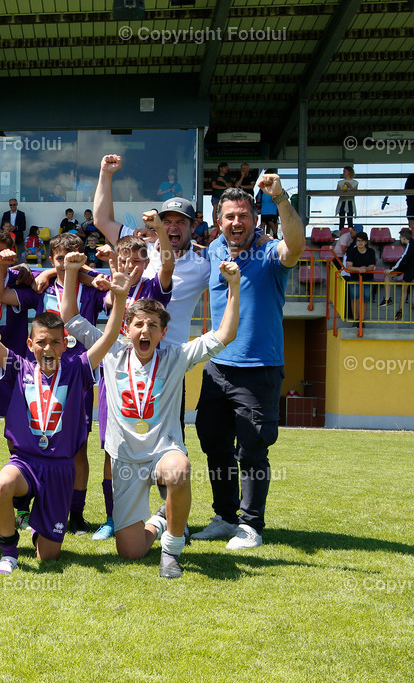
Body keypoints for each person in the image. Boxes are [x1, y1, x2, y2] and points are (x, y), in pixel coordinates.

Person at [63, 254, 242, 578]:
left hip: (162, 453)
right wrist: (72, 271)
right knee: (130, 551)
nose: (145, 331)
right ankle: (161, 519)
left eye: (153, 325)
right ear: (126, 329)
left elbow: (225, 334)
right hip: (125, 461)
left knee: (179, 470)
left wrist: (234, 286)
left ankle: (171, 552)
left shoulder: (176, 356)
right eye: (139, 324)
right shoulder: (111, 351)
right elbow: (71, 319)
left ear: (163, 332)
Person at [0, 268, 131, 575]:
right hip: (25, 460)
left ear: (65, 343)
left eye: (55, 342)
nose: (48, 349)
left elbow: (108, 337)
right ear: (30, 344)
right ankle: (8, 552)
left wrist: (118, 298)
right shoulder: (20, 367)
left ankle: (40, 525)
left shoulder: (78, 368)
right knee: (1, 486)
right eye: (41, 342)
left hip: (61, 467)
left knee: (48, 557)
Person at [193, 176, 305, 550]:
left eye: (243, 215)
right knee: (214, 443)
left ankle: (251, 526)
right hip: (217, 367)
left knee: (253, 449)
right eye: (228, 217)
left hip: (259, 368)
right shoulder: (212, 251)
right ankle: (225, 518)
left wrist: (281, 198)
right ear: (217, 220)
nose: (236, 222)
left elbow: (297, 246)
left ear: (255, 218)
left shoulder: (272, 251)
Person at [381, 227, 414, 320]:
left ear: (404, 237)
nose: (399, 239)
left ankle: (399, 309)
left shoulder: (411, 245)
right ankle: (388, 300)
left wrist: (391, 269)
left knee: (403, 288)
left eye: (400, 237)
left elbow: (403, 258)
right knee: (388, 277)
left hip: (410, 269)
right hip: (409, 268)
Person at [342, 232, 376, 318]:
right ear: (356, 241)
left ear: (366, 242)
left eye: (362, 241)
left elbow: (372, 266)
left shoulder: (371, 251)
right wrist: (359, 269)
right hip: (354, 278)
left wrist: (365, 269)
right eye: (358, 240)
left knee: (365, 300)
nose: (360, 242)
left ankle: (362, 320)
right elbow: (348, 266)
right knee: (354, 300)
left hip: (367, 278)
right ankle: (355, 320)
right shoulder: (351, 251)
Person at [337, 166, 358, 233]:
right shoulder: (340, 182)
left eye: (345, 171)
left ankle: (350, 233)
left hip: (349, 201)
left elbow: (355, 193)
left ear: (349, 172)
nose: (343, 173)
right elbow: (337, 192)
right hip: (343, 201)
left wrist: (350, 186)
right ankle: (341, 233)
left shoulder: (355, 182)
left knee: (350, 219)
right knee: (342, 219)